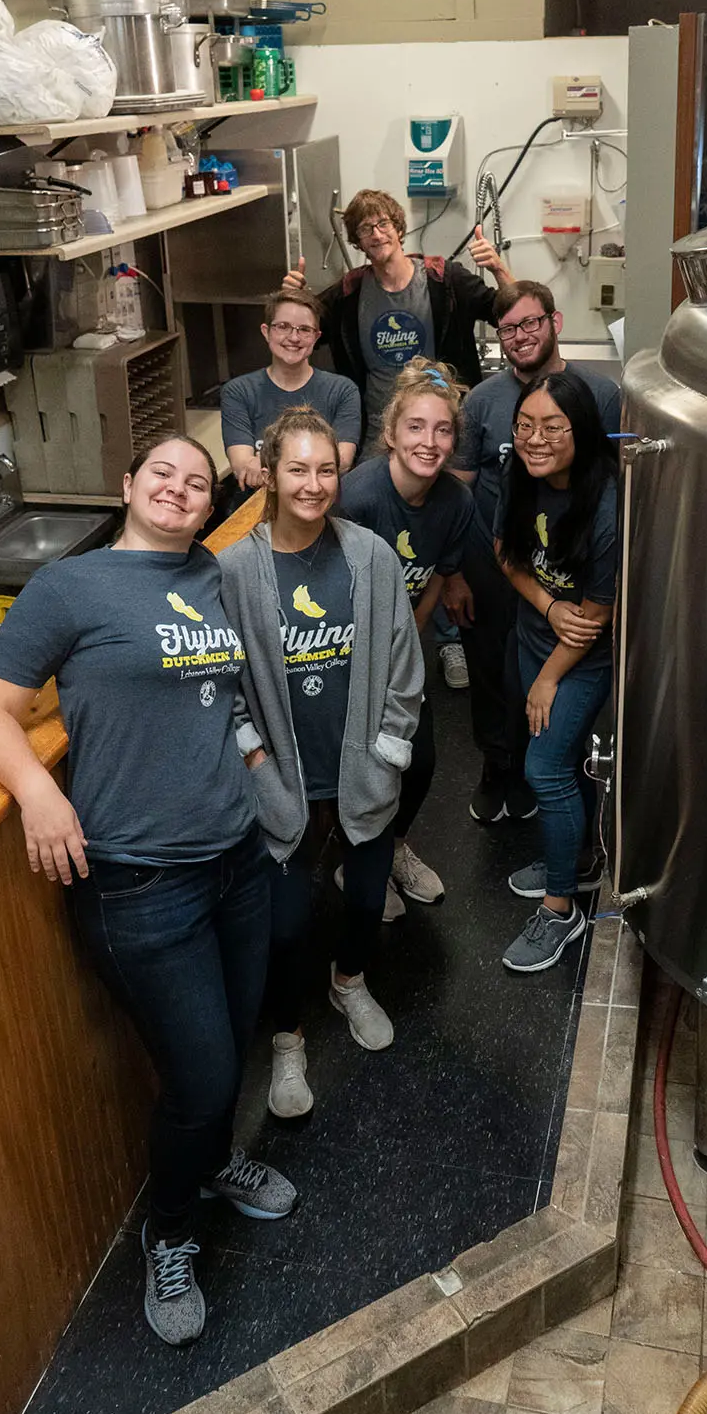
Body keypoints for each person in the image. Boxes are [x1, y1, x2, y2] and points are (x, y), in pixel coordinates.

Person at [0, 437, 294, 1349]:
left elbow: (220, 700)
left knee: (233, 1042)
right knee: (204, 1074)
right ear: (128, 488)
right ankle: (170, 1233)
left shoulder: (212, 581)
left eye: (197, 482)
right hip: (140, 885)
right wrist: (37, 792)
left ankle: (221, 1161)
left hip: (234, 859)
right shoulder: (72, 588)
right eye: (164, 476)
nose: (181, 491)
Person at [219, 405, 424, 1122]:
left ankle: (350, 980)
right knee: (285, 926)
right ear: (269, 476)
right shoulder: (235, 573)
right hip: (280, 779)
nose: (313, 484)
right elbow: (223, 682)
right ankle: (287, 1037)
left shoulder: (370, 557)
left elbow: (404, 667)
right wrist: (251, 753)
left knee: (367, 900)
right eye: (297, 469)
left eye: (326, 469)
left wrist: (389, 752)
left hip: (360, 770)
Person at [281, 187, 511, 694]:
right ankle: (366, 641)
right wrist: (292, 293)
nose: (377, 234)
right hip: (378, 431)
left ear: (399, 228)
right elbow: (301, 323)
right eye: (365, 229)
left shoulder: (440, 279)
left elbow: (505, 309)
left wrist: (499, 269)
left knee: (445, 528)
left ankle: (447, 640)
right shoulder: (348, 291)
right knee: (369, 533)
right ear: (358, 241)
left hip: (436, 425)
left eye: (384, 223)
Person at [452, 279, 620, 829]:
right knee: (493, 674)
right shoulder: (481, 400)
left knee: (549, 689)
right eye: (507, 329)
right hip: (500, 558)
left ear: (555, 322)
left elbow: (614, 490)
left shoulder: (601, 395)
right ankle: (497, 768)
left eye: (530, 323)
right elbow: (457, 487)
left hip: (569, 571)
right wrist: (454, 569)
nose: (520, 336)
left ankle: (540, 778)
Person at [337, 357, 474, 918]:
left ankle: (392, 849)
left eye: (443, 430)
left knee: (420, 760)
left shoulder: (455, 502)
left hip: (397, 651)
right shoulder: (358, 498)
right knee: (356, 765)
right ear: (390, 433)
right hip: (340, 651)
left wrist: (407, 647)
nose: (430, 441)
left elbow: (438, 576)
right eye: (415, 427)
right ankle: (356, 861)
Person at [492, 375, 617, 974]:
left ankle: (561, 908)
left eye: (552, 428)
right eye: (525, 426)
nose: (534, 440)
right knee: (556, 764)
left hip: (581, 659)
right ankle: (579, 863)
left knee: (545, 769)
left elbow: (593, 618)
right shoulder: (520, 475)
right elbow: (506, 554)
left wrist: (548, 678)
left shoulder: (606, 504)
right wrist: (545, 605)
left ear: (581, 431)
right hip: (533, 637)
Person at [220, 289, 361, 495]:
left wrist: (267, 462)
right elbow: (243, 465)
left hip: (319, 501)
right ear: (266, 331)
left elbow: (343, 460)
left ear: (316, 337)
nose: (293, 337)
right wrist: (315, 466)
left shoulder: (342, 391)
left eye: (304, 329)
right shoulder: (238, 392)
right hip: (257, 508)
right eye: (283, 327)